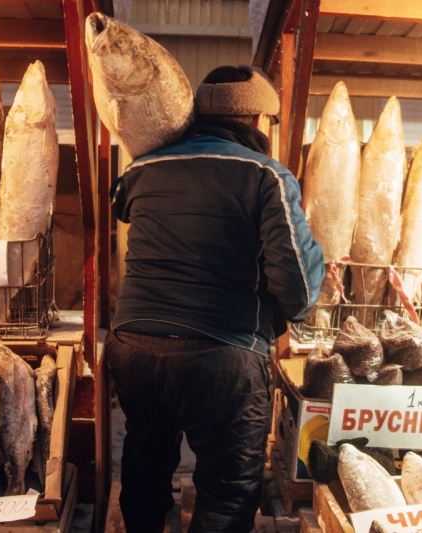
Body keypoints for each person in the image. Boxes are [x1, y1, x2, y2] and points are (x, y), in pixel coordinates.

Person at [104, 65, 325, 533]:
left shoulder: (142, 167)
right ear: (260, 121)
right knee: (226, 493)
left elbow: (118, 202)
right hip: (220, 355)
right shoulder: (268, 176)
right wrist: (284, 312)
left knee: (145, 464)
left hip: (133, 347)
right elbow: (300, 288)